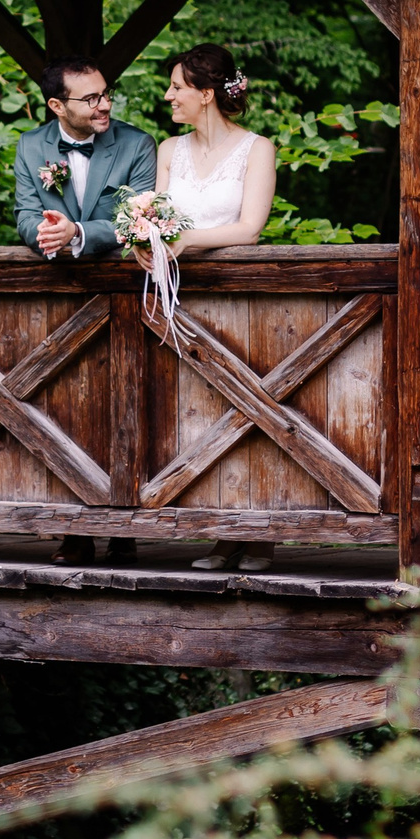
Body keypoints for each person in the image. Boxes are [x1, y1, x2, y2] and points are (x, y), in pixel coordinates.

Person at [11, 56, 155, 566]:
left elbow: (138, 217)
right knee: (60, 414)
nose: (104, 104)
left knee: (126, 410)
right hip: (60, 296)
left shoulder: (137, 144)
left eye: (106, 93)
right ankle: (73, 529)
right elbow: (24, 213)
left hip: (125, 297)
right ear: (57, 105)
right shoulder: (31, 146)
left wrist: (79, 234)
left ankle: (124, 531)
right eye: (90, 98)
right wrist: (46, 233)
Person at [149, 44, 283, 572]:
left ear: (206, 94)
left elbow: (249, 228)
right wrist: (147, 240)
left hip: (238, 301)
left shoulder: (257, 149)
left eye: (177, 86)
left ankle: (260, 534)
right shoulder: (169, 150)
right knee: (196, 416)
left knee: (249, 416)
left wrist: (185, 241)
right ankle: (220, 533)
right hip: (180, 300)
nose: (169, 96)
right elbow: (158, 218)